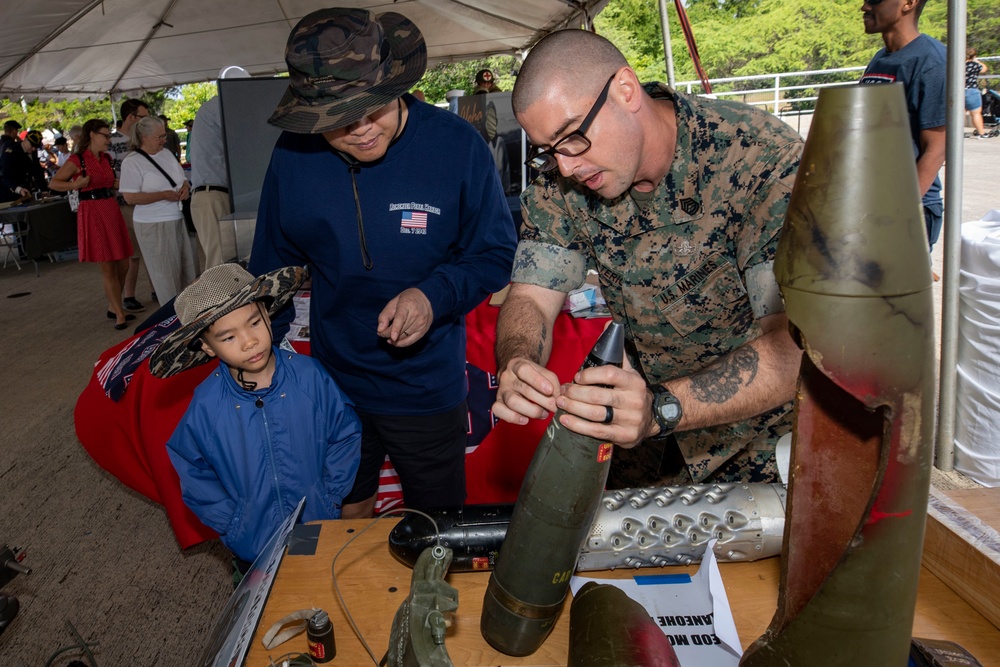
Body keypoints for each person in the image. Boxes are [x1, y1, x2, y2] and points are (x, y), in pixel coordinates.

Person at [493, 29, 803, 489]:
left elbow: (794, 348)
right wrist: (517, 361)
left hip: (757, 446)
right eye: (548, 150)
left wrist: (661, 408)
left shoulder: (759, 159)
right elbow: (533, 297)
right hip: (640, 442)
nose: (565, 167)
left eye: (572, 138)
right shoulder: (563, 181)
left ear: (625, 90)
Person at [249, 7, 517, 518]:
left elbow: (494, 253)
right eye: (337, 120)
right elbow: (270, 271)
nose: (360, 130)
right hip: (332, 379)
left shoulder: (456, 146)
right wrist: (265, 362)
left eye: (372, 108)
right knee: (344, 506)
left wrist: (432, 295)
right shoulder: (293, 156)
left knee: (436, 521)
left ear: (395, 83)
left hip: (425, 384)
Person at [149, 263, 362, 571]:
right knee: (268, 609)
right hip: (253, 541)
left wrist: (329, 495)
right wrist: (233, 522)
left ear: (267, 311)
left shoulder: (311, 378)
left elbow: (345, 434)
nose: (249, 341)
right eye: (228, 337)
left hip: (314, 525)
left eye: (253, 323)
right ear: (207, 346)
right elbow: (192, 468)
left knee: (313, 590)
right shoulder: (206, 406)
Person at [859, 0, 946, 252]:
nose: (864, 7)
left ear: (908, 3)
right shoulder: (880, 60)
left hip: (905, 211)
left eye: (874, 0)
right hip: (872, 202)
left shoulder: (933, 61)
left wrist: (898, 214)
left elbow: (937, 149)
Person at [48, 119, 135, 329]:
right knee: (108, 266)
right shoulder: (78, 160)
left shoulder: (106, 158)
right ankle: (119, 313)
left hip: (110, 208)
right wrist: (75, 184)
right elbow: (53, 183)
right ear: (93, 135)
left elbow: (109, 181)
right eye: (105, 135)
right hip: (93, 211)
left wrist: (114, 184)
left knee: (123, 263)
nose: (108, 140)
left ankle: (114, 305)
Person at [119, 115, 197, 304]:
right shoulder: (132, 162)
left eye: (164, 136)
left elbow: (182, 179)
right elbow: (129, 197)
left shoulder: (167, 154)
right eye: (159, 137)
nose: (164, 140)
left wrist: (185, 188)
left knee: (188, 271)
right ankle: (172, 317)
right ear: (144, 137)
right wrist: (162, 195)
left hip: (177, 218)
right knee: (165, 276)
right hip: (152, 224)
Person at [189, 66, 250, 270]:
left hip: (217, 194)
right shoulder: (220, 106)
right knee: (219, 265)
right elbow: (242, 137)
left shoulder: (216, 107)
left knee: (228, 261)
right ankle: (216, 302)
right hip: (212, 194)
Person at [108, 98, 151, 312]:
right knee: (133, 253)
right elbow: (107, 174)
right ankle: (129, 295)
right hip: (125, 204)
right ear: (131, 117)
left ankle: (156, 289)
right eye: (143, 117)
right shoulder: (112, 142)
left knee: (150, 248)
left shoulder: (141, 140)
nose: (146, 121)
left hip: (147, 201)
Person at [0, 129, 47, 203]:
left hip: (26, 193)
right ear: (25, 139)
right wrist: (19, 189)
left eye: (36, 147)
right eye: (32, 145)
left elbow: (38, 172)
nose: (34, 149)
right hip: (10, 194)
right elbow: (5, 176)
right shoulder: (11, 153)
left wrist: (45, 190)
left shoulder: (33, 153)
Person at [965, 48, 993, 139]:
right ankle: (981, 133)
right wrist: (976, 60)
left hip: (958, 91)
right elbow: (984, 69)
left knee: (959, 114)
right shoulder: (974, 65)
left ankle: (956, 133)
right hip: (972, 90)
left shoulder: (957, 64)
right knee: (976, 113)